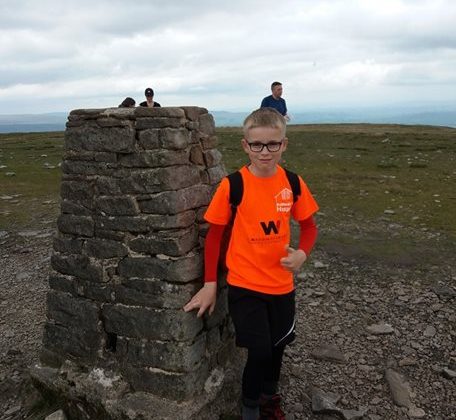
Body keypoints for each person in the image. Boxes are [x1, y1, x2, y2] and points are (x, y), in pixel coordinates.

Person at [183, 108, 319, 419]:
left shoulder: (293, 184)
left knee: (278, 347)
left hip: (282, 286)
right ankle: (249, 408)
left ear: (284, 144)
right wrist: (209, 284)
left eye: (273, 144)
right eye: (257, 145)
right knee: (258, 350)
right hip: (245, 285)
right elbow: (214, 236)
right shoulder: (233, 185)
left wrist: (302, 254)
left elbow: (309, 227)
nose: (265, 152)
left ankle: (270, 397)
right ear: (245, 145)